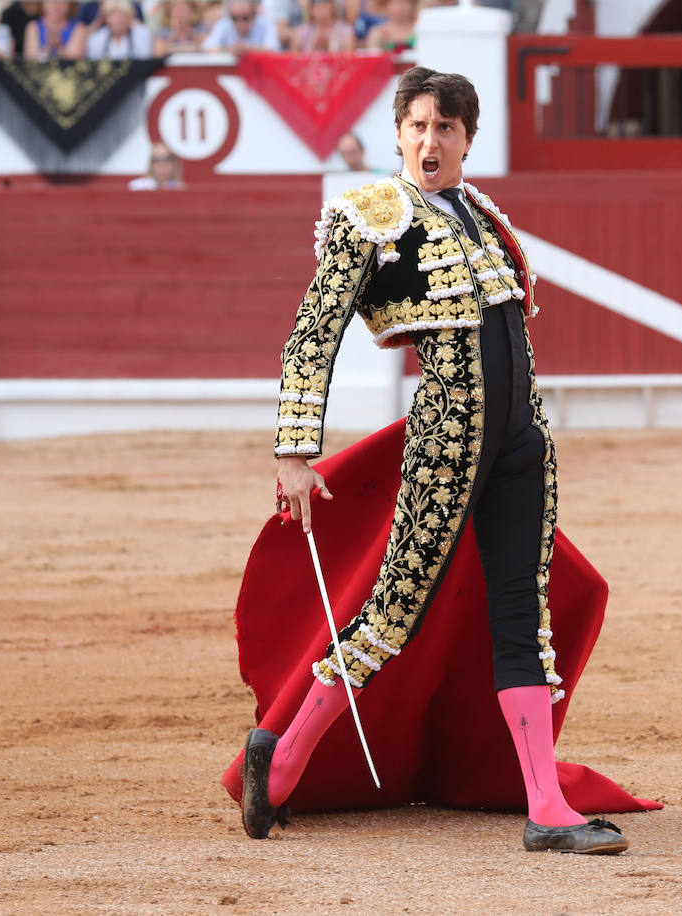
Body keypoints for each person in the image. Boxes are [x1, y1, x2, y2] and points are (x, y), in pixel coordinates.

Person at [240, 68, 631, 855]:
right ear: (397, 133)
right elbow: (314, 331)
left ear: (467, 140)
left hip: (523, 442)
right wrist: (293, 451)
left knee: (525, 619)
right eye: (417, 125)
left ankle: (547, 807)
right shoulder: (371, 215)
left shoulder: (483, 214)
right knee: (392, 615)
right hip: (447, 441)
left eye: (446, 127)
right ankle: (281, 759)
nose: (430, 139)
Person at [201, 0, 278, 52]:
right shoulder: (224, 24)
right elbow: (207, 47)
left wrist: (247, 49)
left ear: (254, 15)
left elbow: (273, 49)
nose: (239, 23)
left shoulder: (265, 24)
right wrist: (230, 50)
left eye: (245, 18)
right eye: (234, 18)